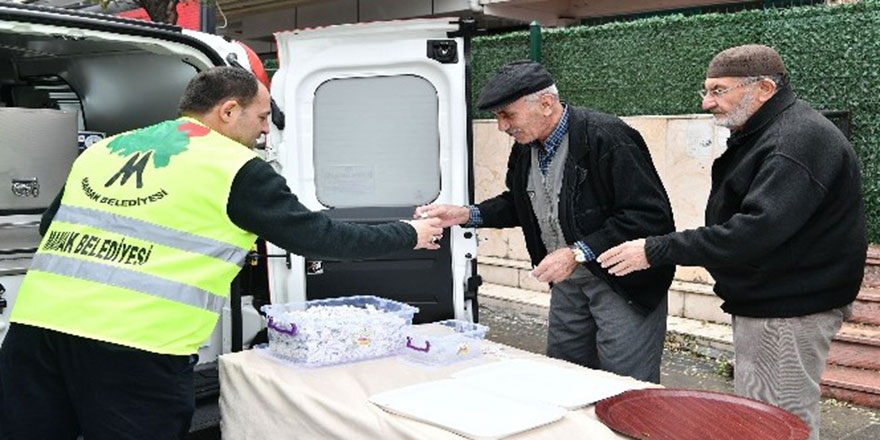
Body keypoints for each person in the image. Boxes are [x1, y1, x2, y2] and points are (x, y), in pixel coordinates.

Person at [0, 66, 443, 440]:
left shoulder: (108, 149)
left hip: (35, 330)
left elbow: (51, 225)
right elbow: (321, 238)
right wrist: (410, 233)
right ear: (229, 110)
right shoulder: (236, 168)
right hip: (136, 345)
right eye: (263, 117)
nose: (267, 129)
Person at [598, 44, 866, 439]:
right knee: (762, 414)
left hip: (788, 308)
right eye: (705, 91)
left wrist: (655, 249)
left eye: (719, 90)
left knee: (777, 421)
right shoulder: (769, 132)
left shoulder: (797, 139)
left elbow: (753, 232)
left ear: (764, 89)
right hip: (775, 301)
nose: (708, 103)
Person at [416, 61, 675, 383]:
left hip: (622, 282)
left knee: (624, 383)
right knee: (564, 373)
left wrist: (576, 253)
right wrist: (467, 214)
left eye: (507, 115)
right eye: (497, 117)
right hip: (567, 282)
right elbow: (521, 202)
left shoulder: (608, 136)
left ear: (546, 104)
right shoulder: (526, 146)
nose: (501, 127)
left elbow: (648, 216)